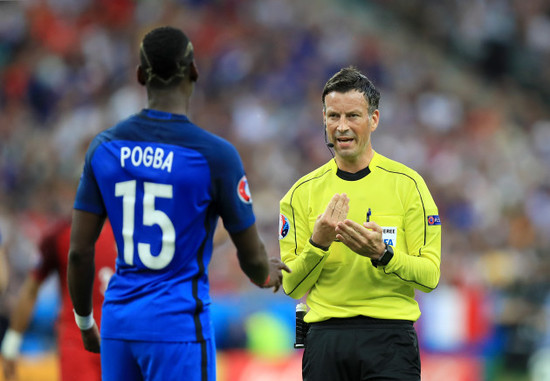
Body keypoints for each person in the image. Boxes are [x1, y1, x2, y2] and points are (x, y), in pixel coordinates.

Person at [67, 25, 290, 381]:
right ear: (194, 72)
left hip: (118, 323)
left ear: (140, 75)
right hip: (177, 326)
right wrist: (266, 273)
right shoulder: (215, 156)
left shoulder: (104, 147)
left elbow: (79, 251)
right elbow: (250, 257)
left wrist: (84, 321)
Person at [279, 66, 441, 380]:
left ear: (374, 119)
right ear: (323, 119)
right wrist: (318, 244)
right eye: (332, 116)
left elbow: (430, 277)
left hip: (390, 340)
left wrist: (384, 255)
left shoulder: (408, 186)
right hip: (325, 340)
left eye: (352, 116)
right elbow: (292, 286)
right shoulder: (299, 194)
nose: (341, 127)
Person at [1, 219, 116, 381]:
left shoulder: (131, 231)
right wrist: (11, 344)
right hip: (79, 347)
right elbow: (31, 289)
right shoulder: (60, 234)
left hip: (122, 343)